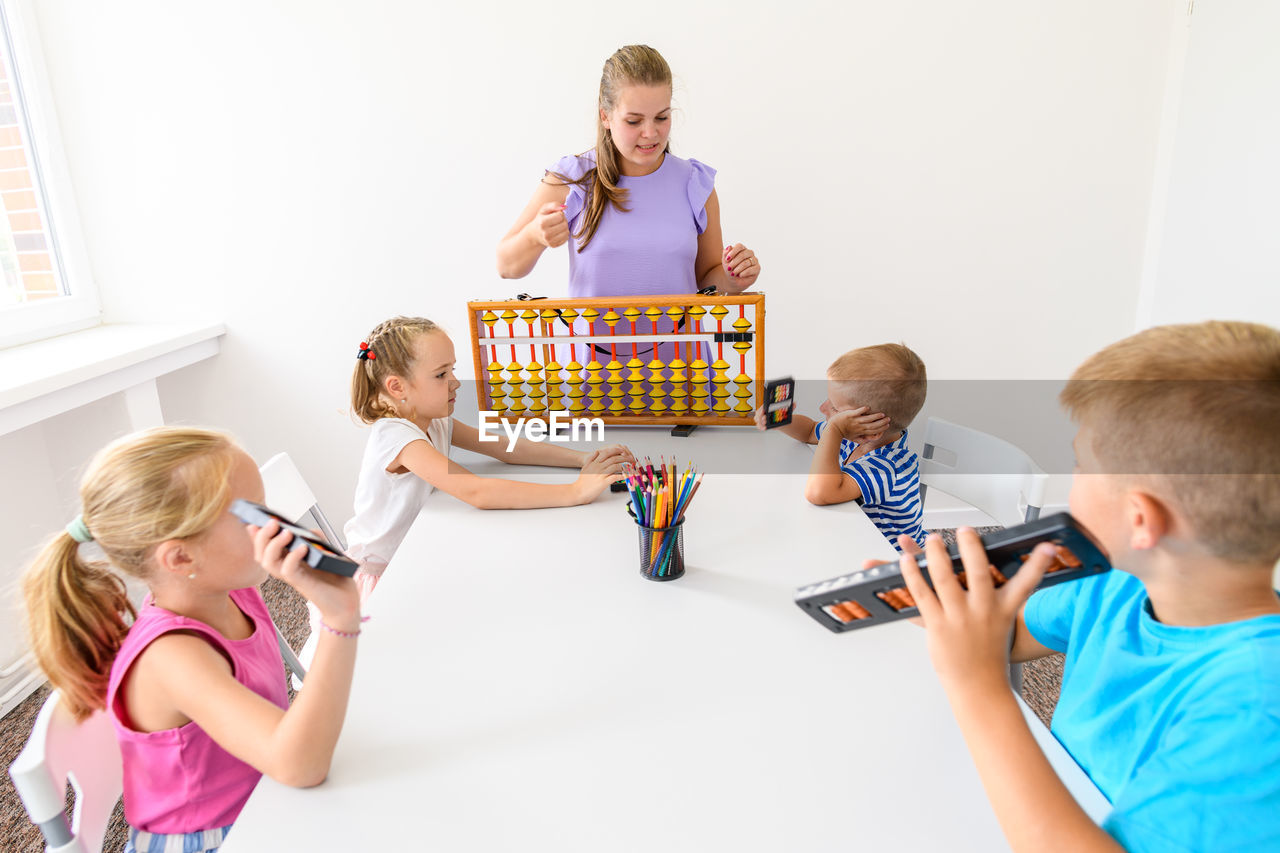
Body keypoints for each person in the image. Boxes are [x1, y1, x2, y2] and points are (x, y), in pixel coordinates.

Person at [893, 320, 1280, 852]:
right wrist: (951, 609)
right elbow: (1012, 637)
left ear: (1140, 520)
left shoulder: (1256, 709)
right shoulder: (1119, 581)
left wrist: (977, 686)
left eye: (1080, 465)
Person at [22, 427, 361, 853]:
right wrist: (339, 618)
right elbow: (300, 765)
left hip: (267, 798)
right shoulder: (173, 656)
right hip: (212, 838)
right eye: (253, 516)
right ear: (181, 558)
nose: (276, 525)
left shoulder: (232, 591)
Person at [343, 315, 634, 595]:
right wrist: (575, 492)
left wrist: (581, 459)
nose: (455, 381)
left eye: (453, 370)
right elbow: (477, 491)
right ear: (397, 387)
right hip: (383, 576)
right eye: (441, 374)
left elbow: (504, 447)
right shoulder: (397, 437)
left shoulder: (434, 420)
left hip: (419, 551)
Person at [496, 44, 762, 302]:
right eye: (634, 121)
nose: (650, 133)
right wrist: (535, 235)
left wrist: (731, 278)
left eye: (661, 117)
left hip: (679, 348)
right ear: (605, 116)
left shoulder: (695, 183)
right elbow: (506, 265)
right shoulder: (573, 179)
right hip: (591, 348)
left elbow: (706, 283)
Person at [758, 343, 927, 550]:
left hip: (890, 559)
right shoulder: (853, 437)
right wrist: (781, 420)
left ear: (871, 429)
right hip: (848, 532)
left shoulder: (889, 467)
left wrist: (834, 430)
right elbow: (810, 430)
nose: (822, 408)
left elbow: (819, 494)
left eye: (835, 408)